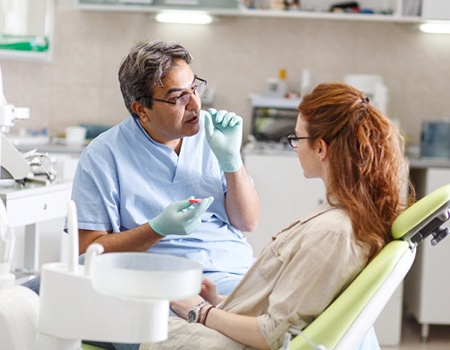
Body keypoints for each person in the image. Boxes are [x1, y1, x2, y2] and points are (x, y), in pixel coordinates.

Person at [138, 82, 415, 350]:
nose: (295, 147)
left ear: (321, 148)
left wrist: (202, 311)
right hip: (245, 322)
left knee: (160, 332)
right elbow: (291, 304)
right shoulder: (342, 217)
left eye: (297, 138)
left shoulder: (334, 232)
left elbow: (273, 333)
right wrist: (220, 301)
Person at [68, 39, 260, 297]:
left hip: (235, 272)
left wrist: (232, 162)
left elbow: (248, 222)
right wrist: (157, 229)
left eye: (194, 89)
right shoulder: (104, 155)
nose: (195, 104)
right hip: (162, 283)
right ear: (141, 110)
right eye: (179, 97)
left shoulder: (212, 133)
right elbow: (88, 251)